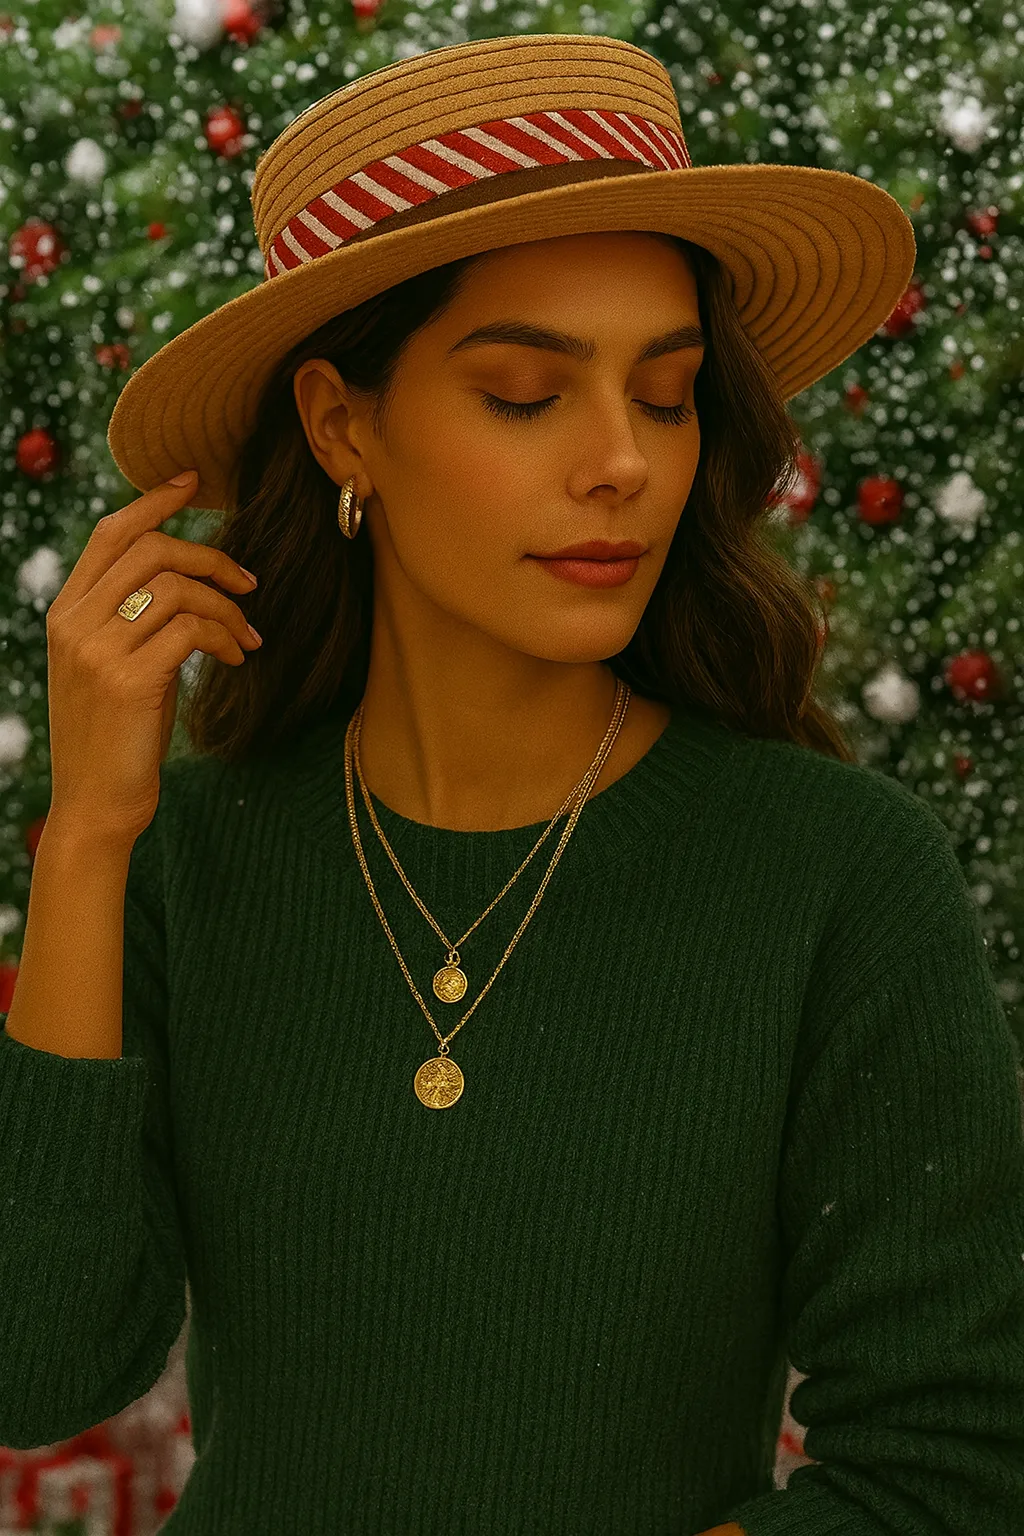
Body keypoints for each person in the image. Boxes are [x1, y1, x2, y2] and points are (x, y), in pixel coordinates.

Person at [3, 31, 1022, 1536]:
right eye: (528, 395)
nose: (622, 463)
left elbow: (955, 1470)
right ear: (346, 424)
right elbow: (36, 1369)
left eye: (666, 396)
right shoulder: (188, 856)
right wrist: (84, 836)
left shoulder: (835, 873)